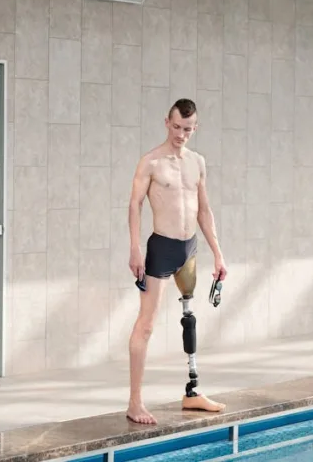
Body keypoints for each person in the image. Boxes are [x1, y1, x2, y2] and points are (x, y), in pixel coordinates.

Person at [125, 98, 228, 425]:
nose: (182, 134)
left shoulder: (197, 162)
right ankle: (135, 402)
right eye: (177, 127)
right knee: (147, 324)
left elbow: (204, 209)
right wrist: (135, 248)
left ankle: (193, 391)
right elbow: (134, 205)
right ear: (166, 122)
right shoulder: (151, 162)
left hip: (190, 249)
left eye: (188, 129)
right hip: (161, 249)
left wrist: (218, 252)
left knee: (190, 316)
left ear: (195, 128)